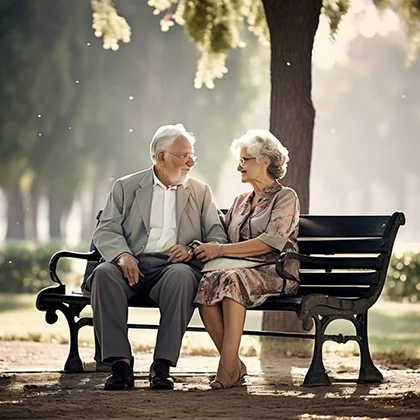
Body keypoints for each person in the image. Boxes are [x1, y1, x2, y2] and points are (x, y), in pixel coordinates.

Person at [85, 123, 227, 391]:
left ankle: (161, 366)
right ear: (161, 156)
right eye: (183, 155)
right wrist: (123, 255)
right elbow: (106, 228)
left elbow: (217, 235)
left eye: (192, 154)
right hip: (131, 265)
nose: (191, 161)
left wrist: (191, 248)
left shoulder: (200, 191)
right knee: (103, 273)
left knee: (184, 277)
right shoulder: (126, 187)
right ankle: (121, 365)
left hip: (173, 267)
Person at [193, 129, 300, 389]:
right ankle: (233, 364)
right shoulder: (240, 201)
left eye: (245, 160)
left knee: (230, 280)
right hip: (239, 270)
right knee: (207, 283)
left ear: (264, 161)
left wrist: (219, 251)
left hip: (275, 272)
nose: (238, 166)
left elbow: (270, 241)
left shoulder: (286, 197)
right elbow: (221, 235)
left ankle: (225, 369)